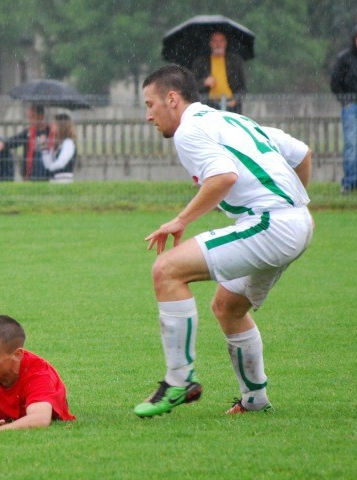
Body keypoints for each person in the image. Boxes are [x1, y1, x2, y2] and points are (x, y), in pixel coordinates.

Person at [134, 65, 313, 418]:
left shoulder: (189, 131)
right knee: (228, 307)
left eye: (150, 104)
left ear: (172, 99)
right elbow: (302, 153)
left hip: (271, 223)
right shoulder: (234, 121)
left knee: (166, 270)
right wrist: (296, 205)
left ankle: (179, 381)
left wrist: (180, 220)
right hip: (298, 223)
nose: (148, 116)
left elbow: (223, 177)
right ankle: (255, 399)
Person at [330, 24, 357, 194]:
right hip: (351, 105)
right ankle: (349, 180)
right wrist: (344, 100)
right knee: (351, 144)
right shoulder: (345, 58)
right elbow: (335, 82)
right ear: (354, 40)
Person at [190, 31, 247, 114]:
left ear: (226, 43)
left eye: (221, 41)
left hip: (231, 106)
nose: (218, 44)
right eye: (215, 41)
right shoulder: (200, 63)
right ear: (210, 43)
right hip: (208, 105)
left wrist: (236, 99)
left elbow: (243, 87)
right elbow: (192, 85)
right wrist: (204, 82)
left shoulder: (236, 62)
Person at [0, 104, 51, 181]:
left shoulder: (50, 132)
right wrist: (3, 144)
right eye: (29, 117)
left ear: (41, 116)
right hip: (29, 175)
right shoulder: (29, 132)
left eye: (32, 117)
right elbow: (16, 140)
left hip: (45, 175)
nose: (30, 120)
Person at [41, 113, 77, 183]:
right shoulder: (57, 144)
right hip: (54, 180)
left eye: (54, 123)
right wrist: (44, 147)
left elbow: (61, 163)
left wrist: (50, 168)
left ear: (61, 125)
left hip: (63, 180)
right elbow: (48, 164)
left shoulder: (68, 143)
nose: (51, 125)